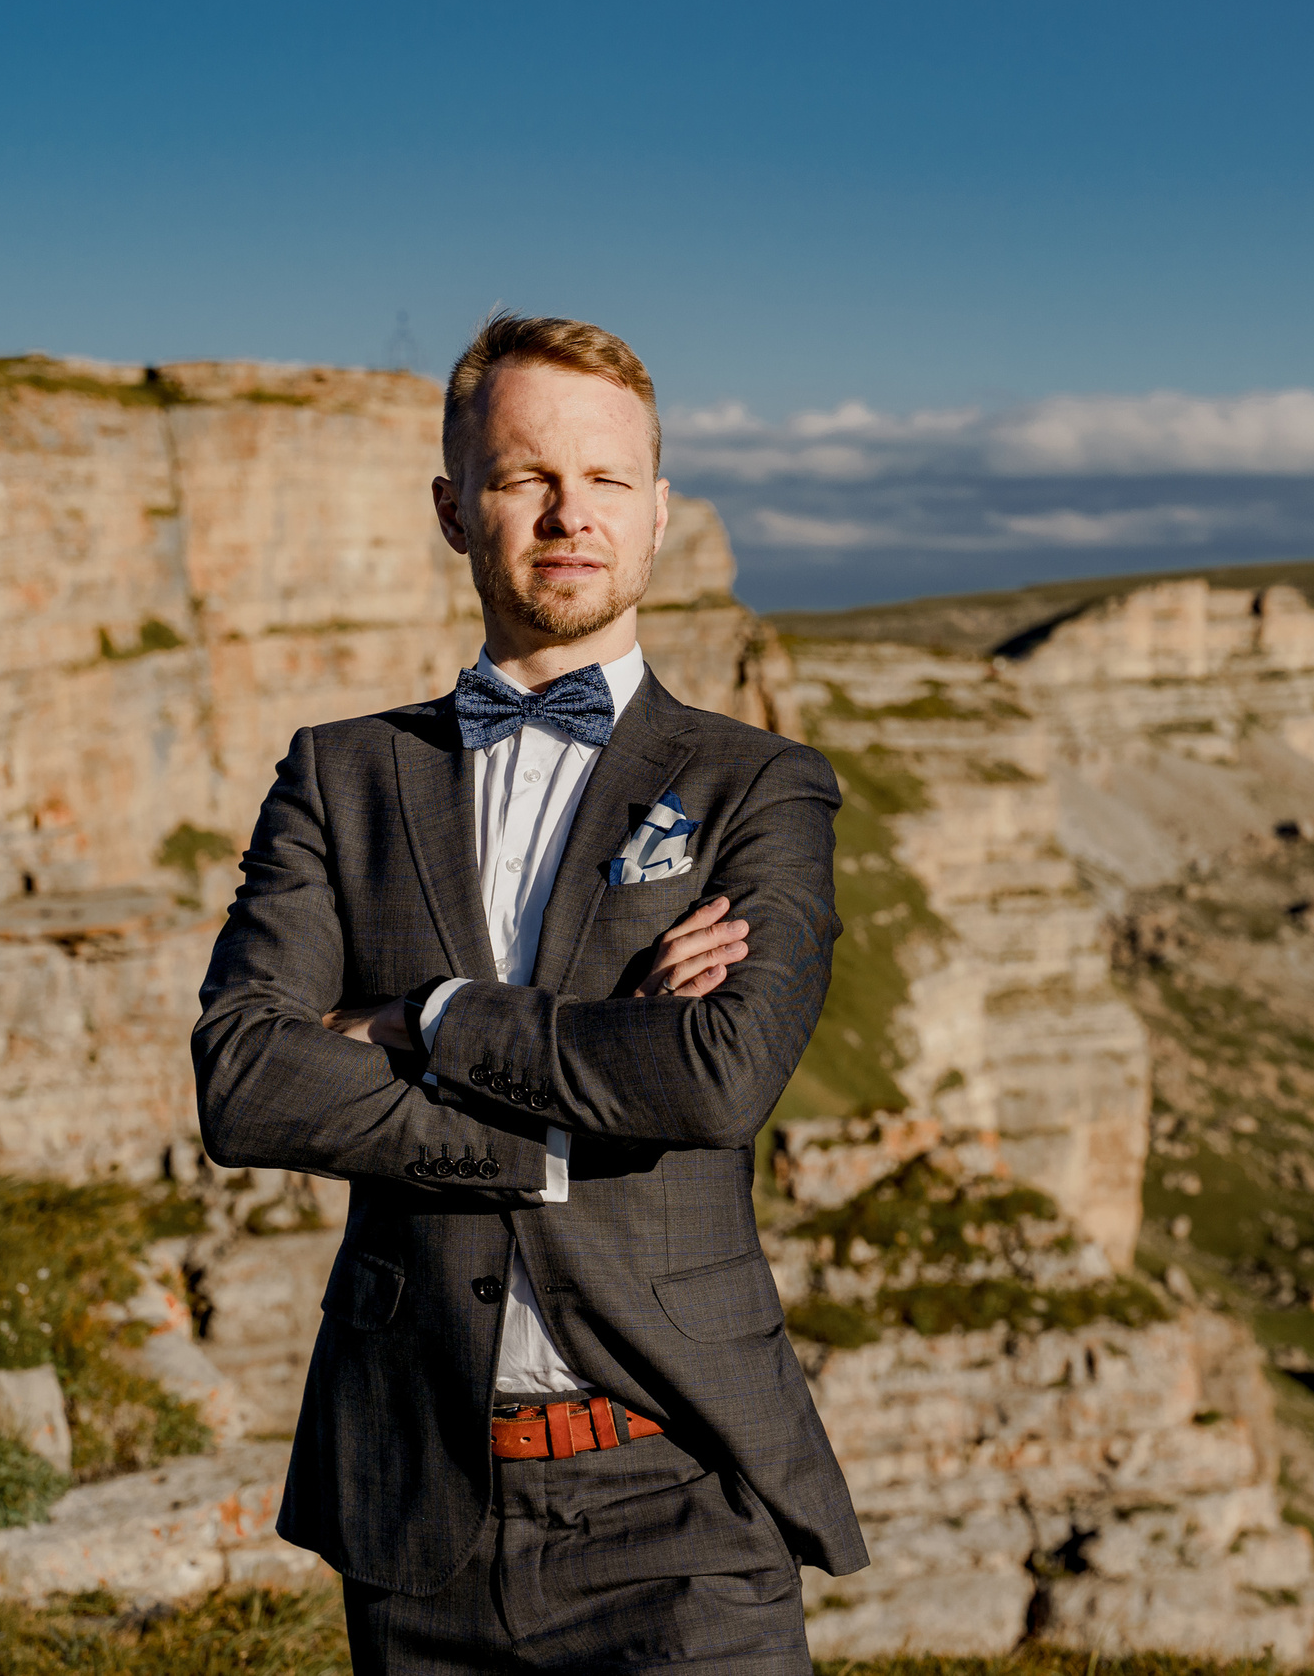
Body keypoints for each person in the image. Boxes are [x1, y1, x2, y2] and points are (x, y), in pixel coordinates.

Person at [193, 312, 866, 1673]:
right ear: (455, 509)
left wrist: (423, 1022)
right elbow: (245, 1080)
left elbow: (719, 1076)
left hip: (681, 1497)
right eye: (525, 478)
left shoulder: (759, 786)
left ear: (661, 512)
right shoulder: (341, 775)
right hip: (420, 1502)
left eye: (609, 480)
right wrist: (554, 1125)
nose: (572, 514)